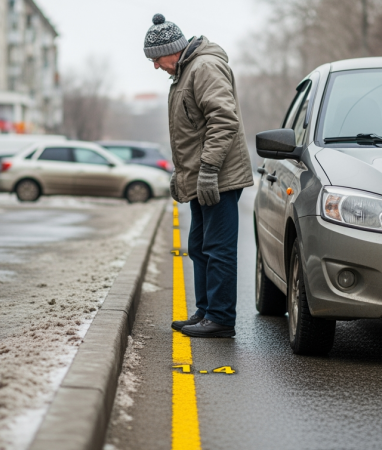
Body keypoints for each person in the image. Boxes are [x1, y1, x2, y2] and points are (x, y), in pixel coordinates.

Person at [144, 14, 253, 338]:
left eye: (156, 59)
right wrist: (184, 175)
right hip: (203, 178)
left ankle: (220, 318)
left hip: (219, 177)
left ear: (172, 50)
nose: (155, 66)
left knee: (218, 248)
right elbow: (190, 132)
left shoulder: (203, 68)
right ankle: (206, 312)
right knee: (200, 246)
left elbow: (223, 120)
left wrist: (207, 170)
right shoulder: (184, 73)